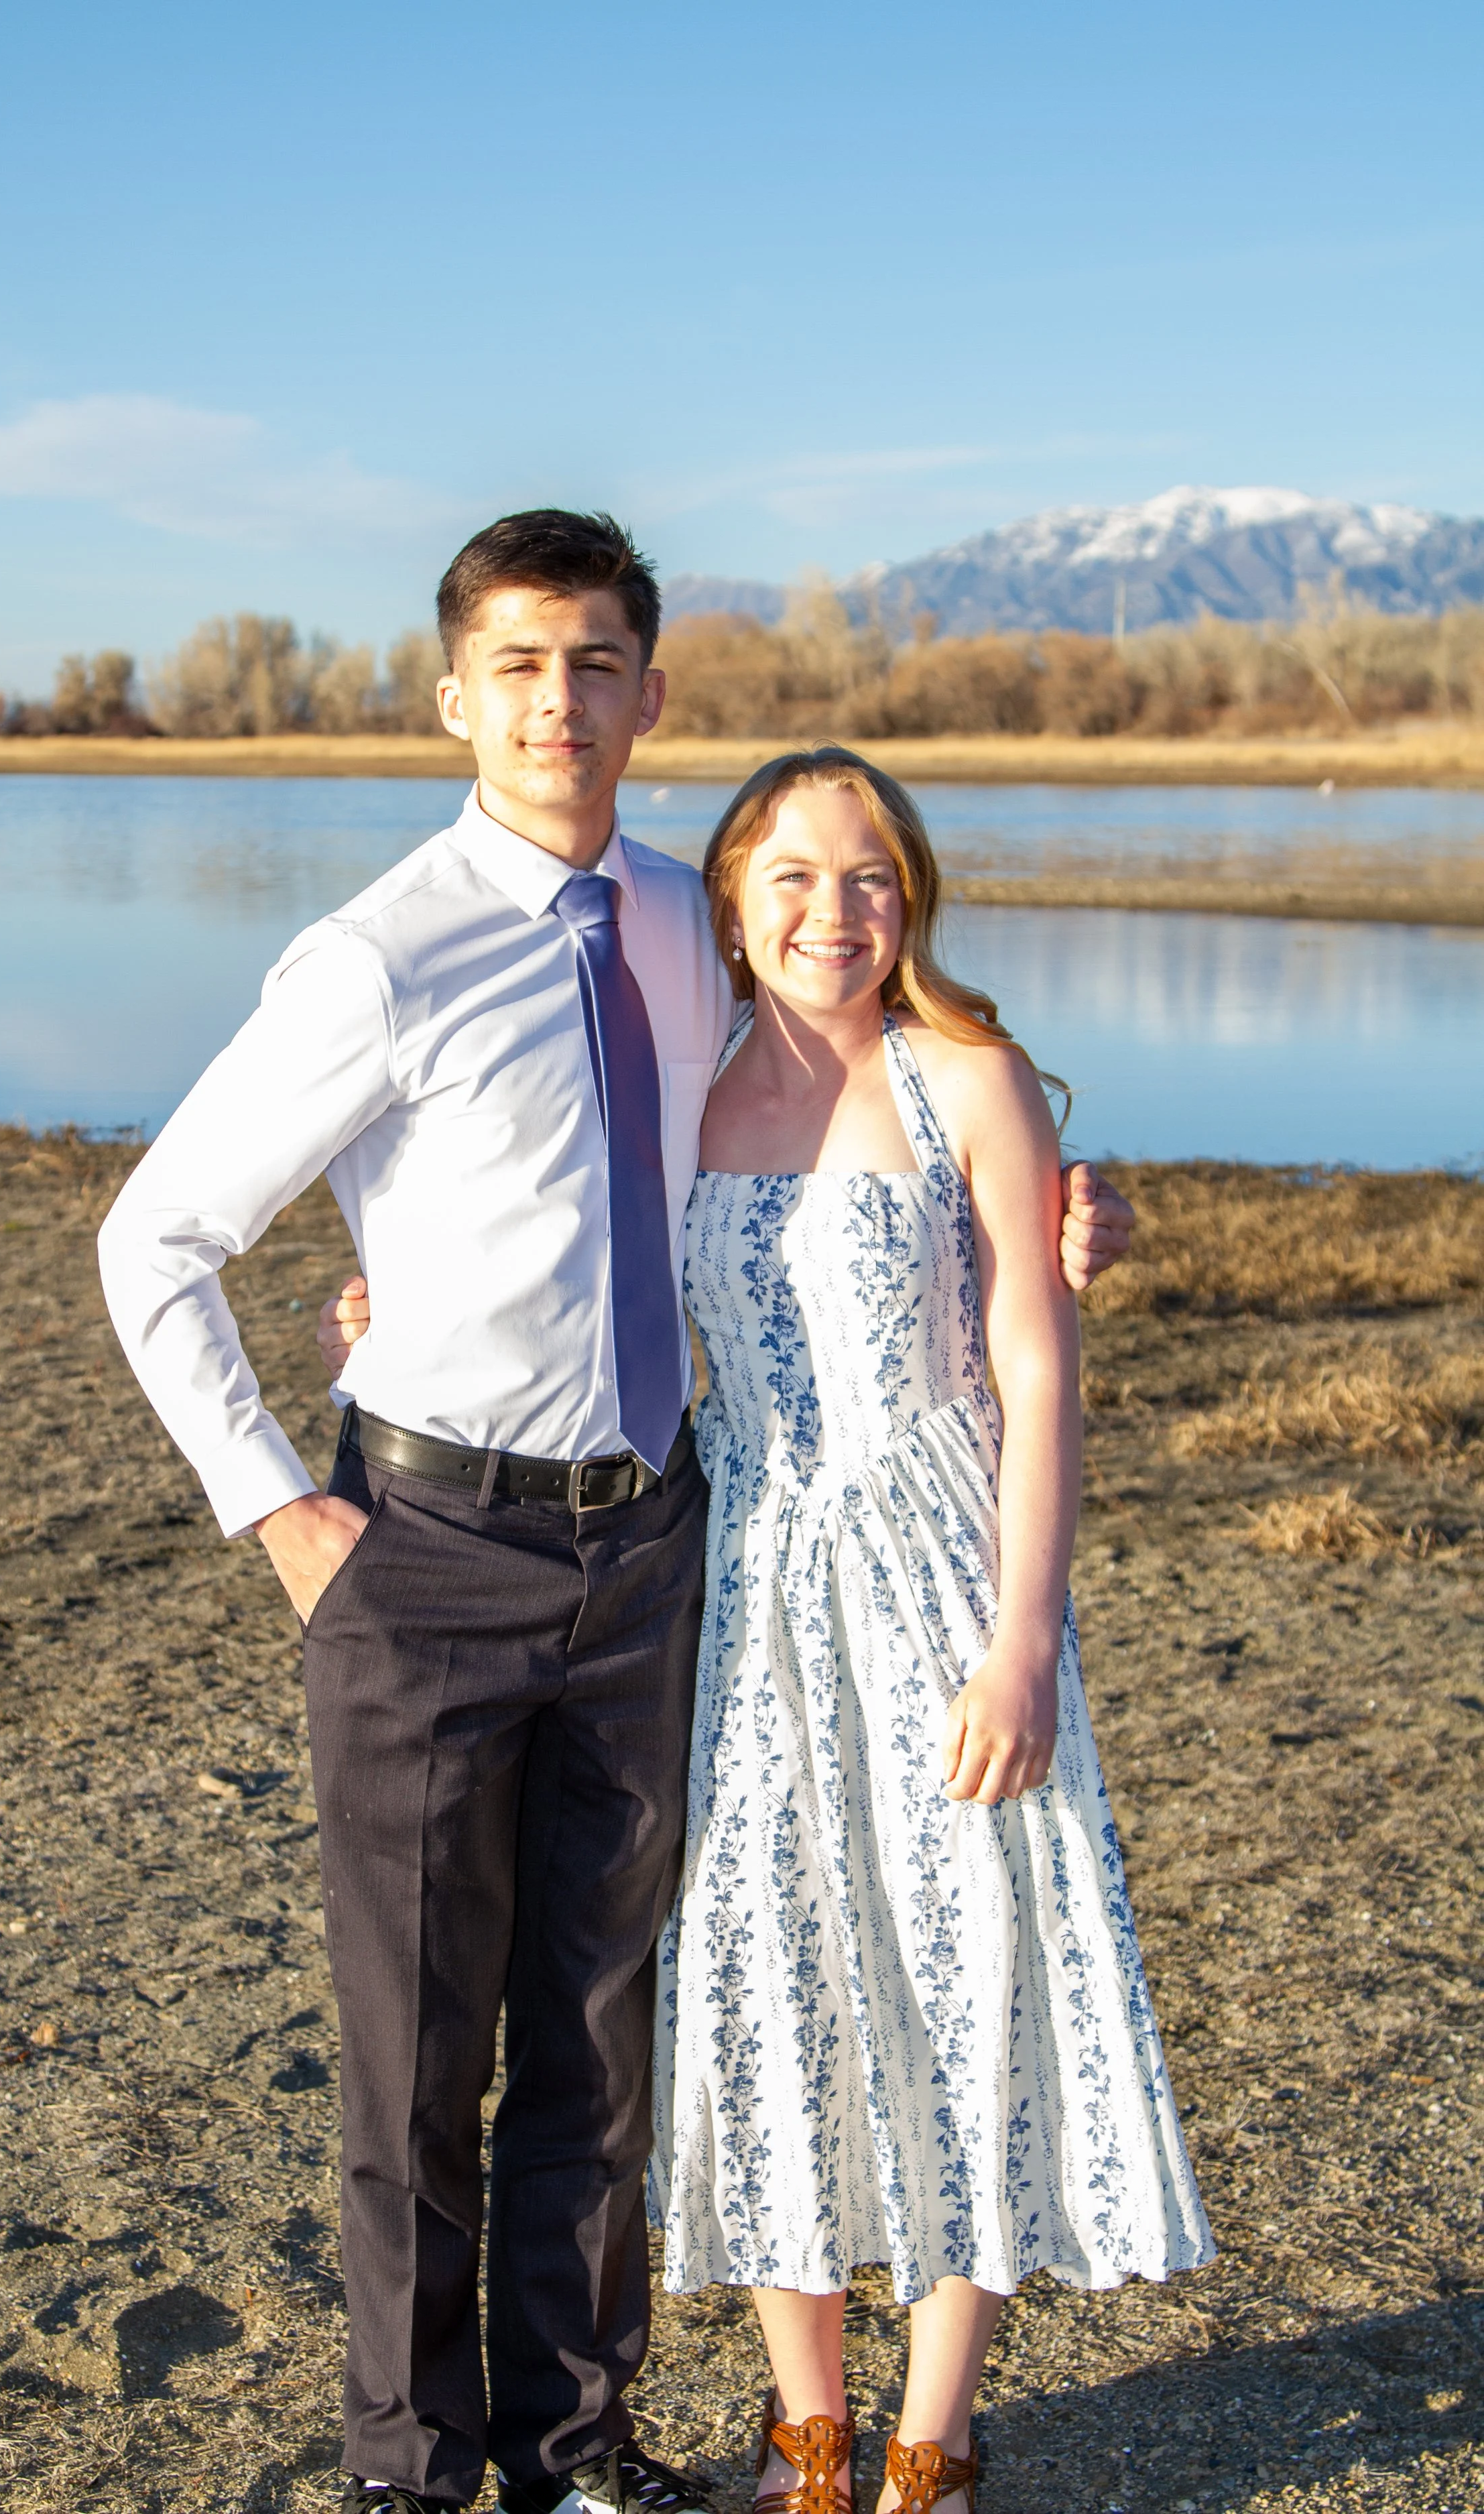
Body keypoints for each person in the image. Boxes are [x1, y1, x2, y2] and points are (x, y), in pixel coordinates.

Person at [98, 510, 1135, 2514]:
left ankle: (574, 2451)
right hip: (426, 1553)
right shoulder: (376, 952)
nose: (555, 700)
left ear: (649, 695)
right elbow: (156, 1241)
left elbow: (865, 1117)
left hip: (661, 1546)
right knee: (416, 2062)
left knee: (600, 2034)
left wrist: (1076, 1208)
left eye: (592, 663)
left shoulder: (693, 917)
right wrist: (285, 1513)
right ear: (450, 696)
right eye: (514, 663)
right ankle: (412, 2471)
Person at [654, 752, 1212, 2514]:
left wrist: (1023, 1636)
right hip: (745, 1594)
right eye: (796, 875)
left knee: (972, 1975)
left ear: (915, 896)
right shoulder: (670, 1079)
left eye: (873, 874)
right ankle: (805, 2428)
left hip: (942, 1582)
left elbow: (1035, 1359)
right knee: (769, 1975)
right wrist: (395, 1303)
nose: (835, 909)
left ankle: (931, 2435)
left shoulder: (967, 1076)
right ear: (732, 895)